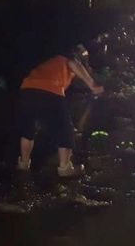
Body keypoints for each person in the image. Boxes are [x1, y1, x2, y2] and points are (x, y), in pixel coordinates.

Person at [17, 47, 104, 177]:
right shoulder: (68, 56)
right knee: (65, 129)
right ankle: (65, 168)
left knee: (28, 128)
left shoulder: (47, 57)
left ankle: (23, 164)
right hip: (51, 89)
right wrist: (92, 85)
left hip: (27, 88)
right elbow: (74, 64)